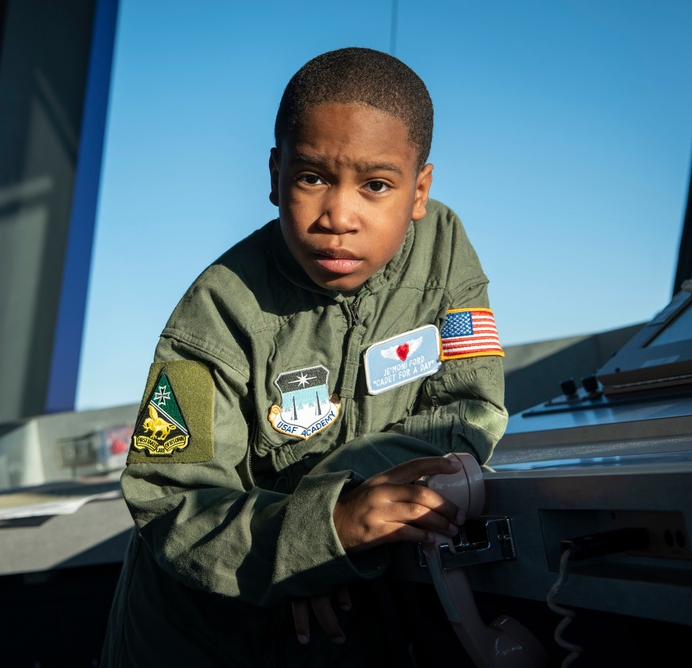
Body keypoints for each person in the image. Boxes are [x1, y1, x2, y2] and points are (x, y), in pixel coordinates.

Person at [100, 46, 507, 667]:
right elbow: (169, 499)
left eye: (376, 185)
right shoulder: (213, 313)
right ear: (274, 175)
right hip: (199, 639)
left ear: (419, 190)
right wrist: (326, 531)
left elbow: (469, 408)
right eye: (311, 177)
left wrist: (338, 524)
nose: (338, 216)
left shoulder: (444, 252)